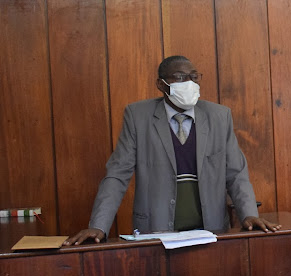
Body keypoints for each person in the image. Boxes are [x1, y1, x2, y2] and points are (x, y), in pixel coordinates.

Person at [64, 55, 279, 245]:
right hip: (156, 232)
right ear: (161, 84)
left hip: (210, 231)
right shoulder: (138, 116)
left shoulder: (219, 117)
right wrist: (99, 226)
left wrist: (249, 214)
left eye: (194, 77)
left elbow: (236, 173)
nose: (189, 83)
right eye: (180, 77)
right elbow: (117, 175)